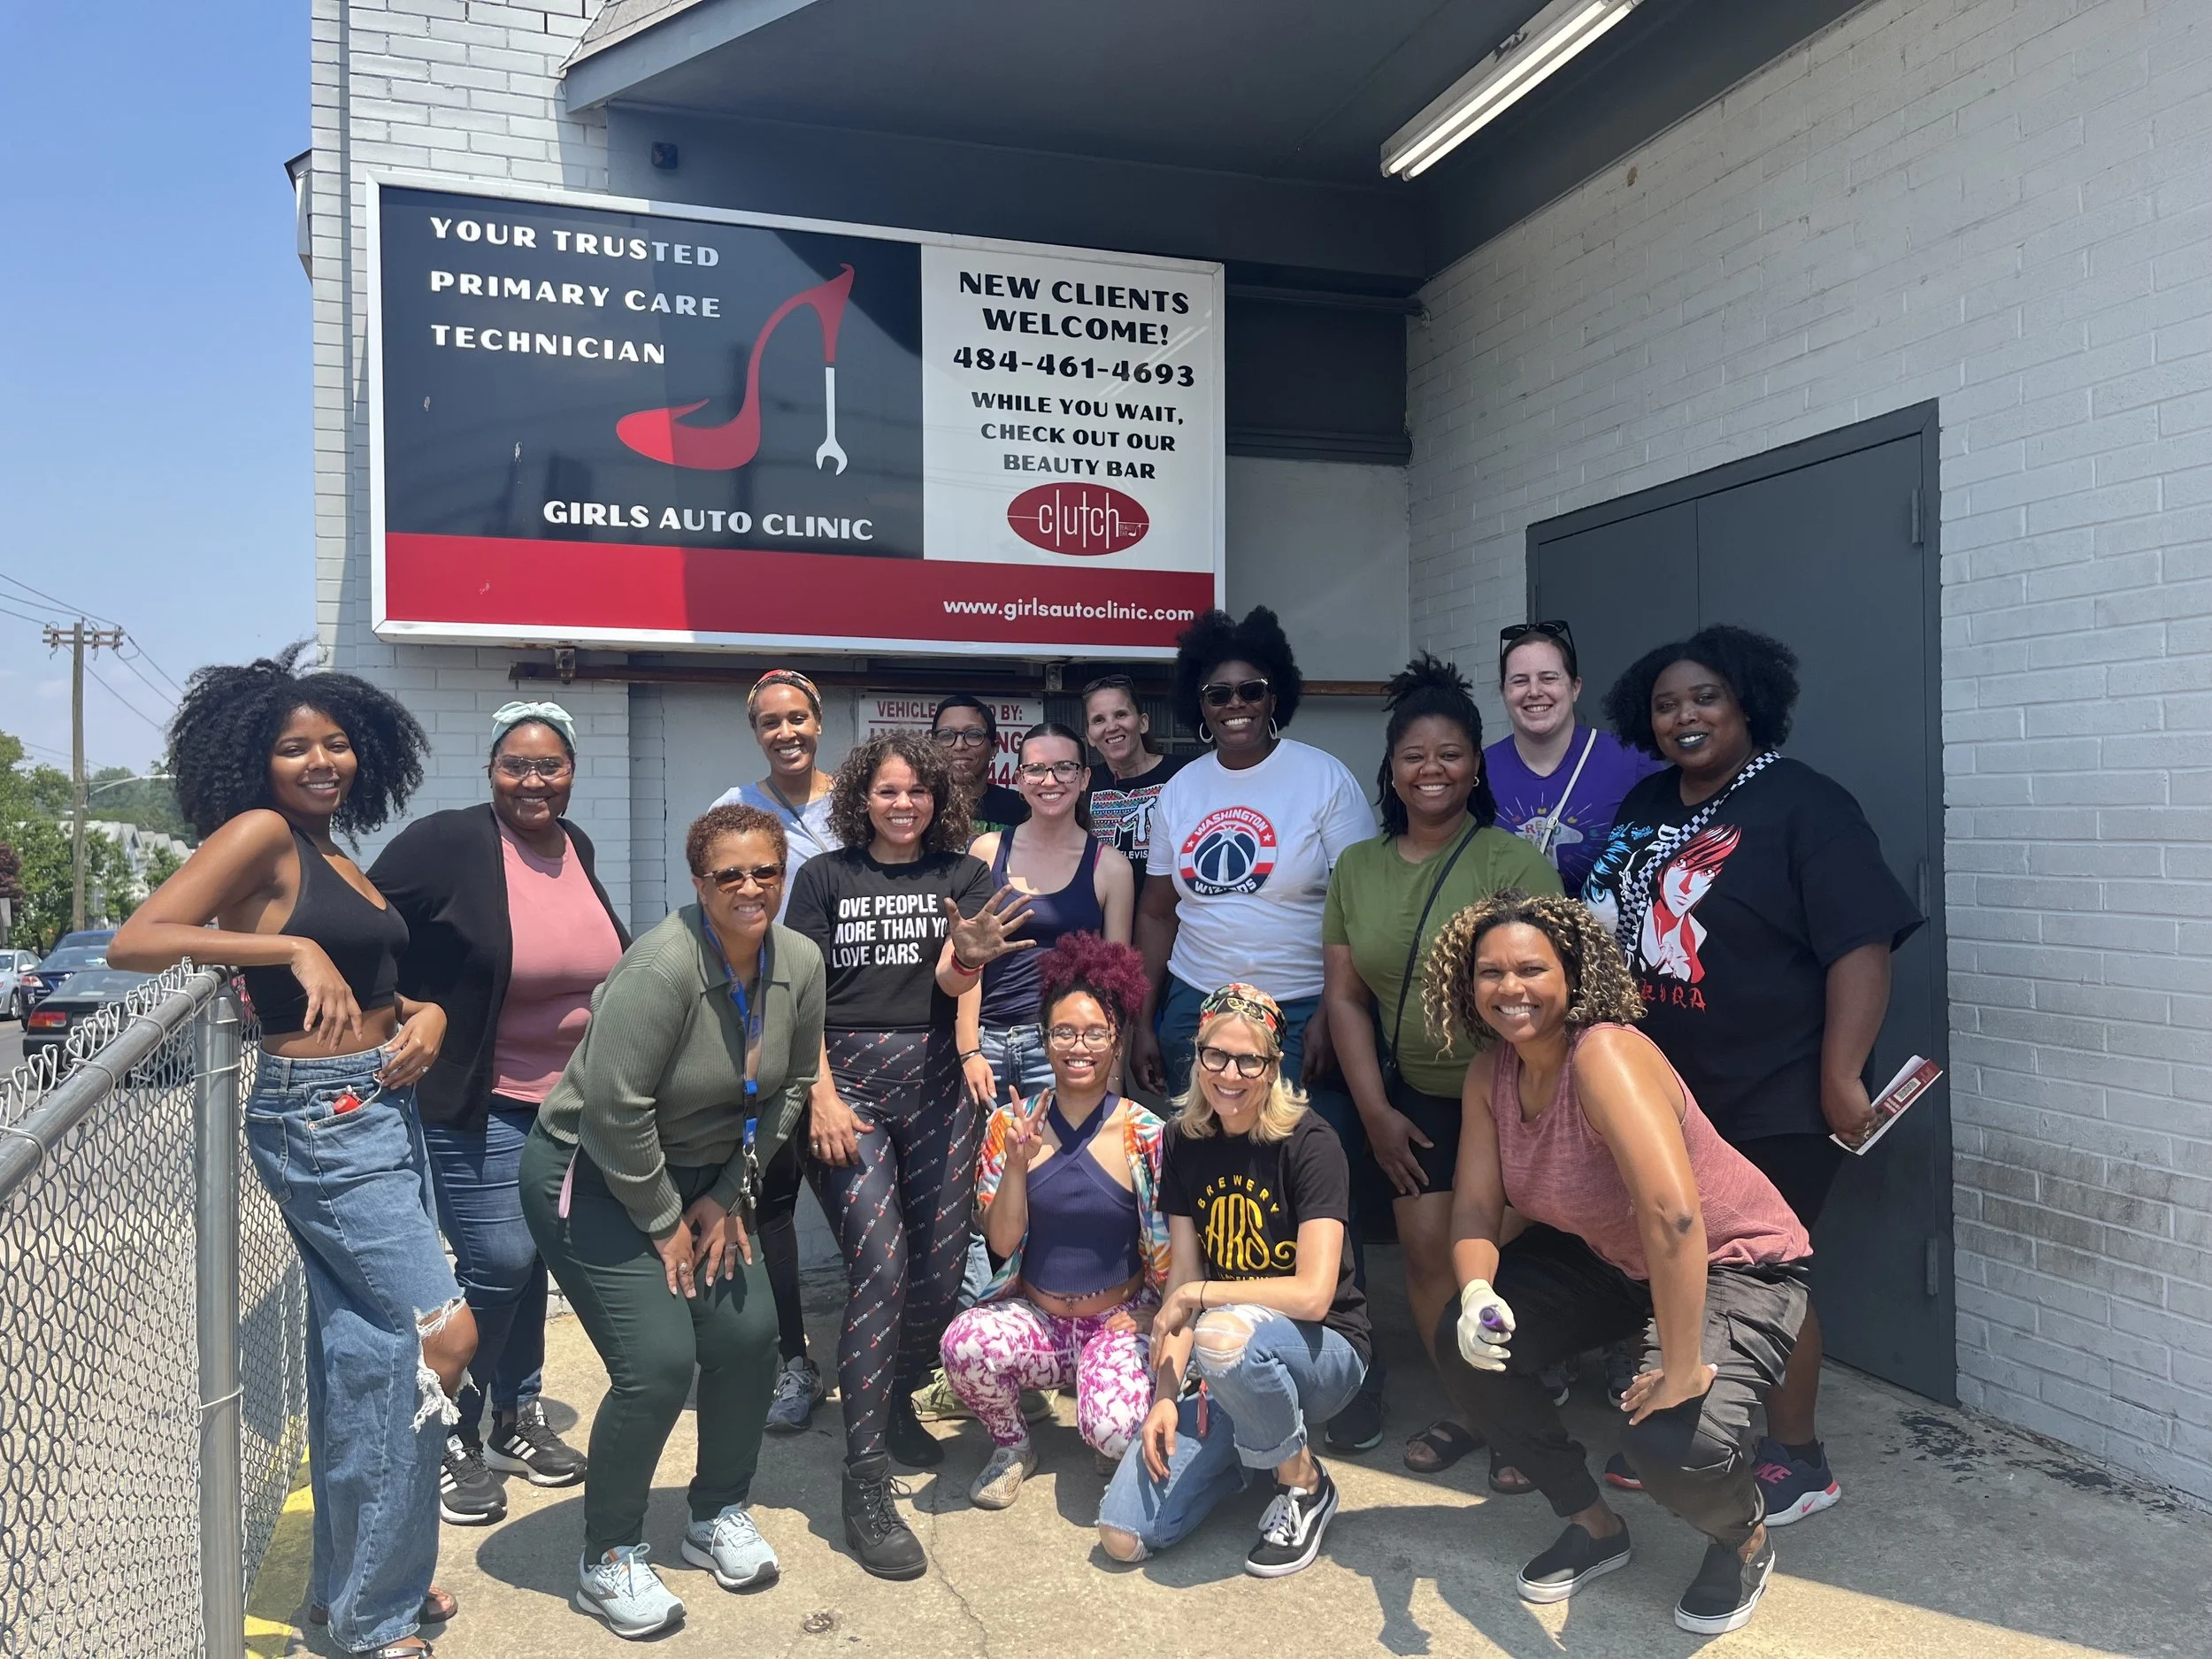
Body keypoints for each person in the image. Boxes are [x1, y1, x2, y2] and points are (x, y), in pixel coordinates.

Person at [112, 645, 471, 1659]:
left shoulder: (339, 853)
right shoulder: (262, 834)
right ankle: (377, 1613)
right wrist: (284, 948)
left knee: (368, 1359)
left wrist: (426, 1011)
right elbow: (140, 936)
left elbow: (371, 986)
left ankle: (356, 1596)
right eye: (294, 748)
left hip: (378, 1106)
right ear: (254, 763)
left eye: (337, 743)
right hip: (319, 1118)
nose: (322, 762)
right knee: (439, 1337)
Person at [1581, 625, 1921, 1524]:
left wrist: (1842, 1075)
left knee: (1761, 1268)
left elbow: (1861, 944)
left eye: (1704, 698)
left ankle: (1798, 1456)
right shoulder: (1648, 800)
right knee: (1674, 1256)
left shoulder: (1807, 805)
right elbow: (1601, 914)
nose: (1682, 716)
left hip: (1777, 1089)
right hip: (1671, 1088)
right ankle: (1682, 1425)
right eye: (1664, 704)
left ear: (1748, 705)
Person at [1422, 891, 1816, 1635]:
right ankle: (1593, 1523)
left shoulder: (1604, 1053)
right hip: (1616, 1257)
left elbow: (1674, 1217)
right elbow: (1476, 1209)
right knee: (1462, 1343)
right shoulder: (1491, 1072)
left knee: (1675, 1441)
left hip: (1735, 1260)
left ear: (1572, 972)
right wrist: (1476, 1292)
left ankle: (1746, 1536)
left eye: (1532, 968)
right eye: (1490, 972)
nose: (1510, 988)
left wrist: (1681, 1362)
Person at [518, 803, 826, 1639]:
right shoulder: (659, 968)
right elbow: (616, 1111)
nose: (751, 887)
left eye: (766, 870)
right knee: (657, 1360)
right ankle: (607, 1555)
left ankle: (714, 1512)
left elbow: (793, 1087)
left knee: (746, 1335)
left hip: (707, 1179)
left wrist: (726, 1195)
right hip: (596, 1176)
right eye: (730, 874)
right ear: (699, 883)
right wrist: (666, 1222)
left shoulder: (798, 959)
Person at [781, 732, 1036, 1579]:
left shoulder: (962, 874)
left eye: (918, 792)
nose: (903, 804)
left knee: (934, 1271)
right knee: (881, 1269)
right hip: (846, 1083)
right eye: (888, 791)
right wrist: (817, 1090)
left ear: (938, 799)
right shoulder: (822, 877)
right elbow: (799, 992)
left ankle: (893, 1401)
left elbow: (953, 980)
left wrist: (966, 954)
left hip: (933, 1080)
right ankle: (865, 1481)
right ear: (864, 797)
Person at [1128, 607, 1379, 1444]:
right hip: (1198, 1010)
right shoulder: (1182, 791)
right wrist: (1143, 1011)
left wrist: (1334, 1010)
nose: (1235, 703)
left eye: (1251, 689)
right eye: (1218, 692)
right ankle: (1216, 1357)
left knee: (1311, 1191)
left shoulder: (1323, 779)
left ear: (1277, 696)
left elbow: (1356, 907)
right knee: (1212, 1189)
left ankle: (1344, 1374)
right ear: (1197, 703)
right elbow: (1160, 912)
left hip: (1304, 1010)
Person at [369, 700, 623, 1525]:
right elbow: (364, 923)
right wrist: (410, 1006)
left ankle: (515, 1419)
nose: (534, 779)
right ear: (491, 769)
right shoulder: (449, 844)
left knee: (532, 1259)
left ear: (572, 770)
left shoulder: (574, 845)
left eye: (550, 765)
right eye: (517, 764)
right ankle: (445, 1426)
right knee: (501, 1261)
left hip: (570, 1105)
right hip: (477, 1101)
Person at [1320, 656, 1559, 1486]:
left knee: (1491, 1250)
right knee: (1427, 1255)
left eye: (1451, 752)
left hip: (1512, 1094)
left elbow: (1551, 992)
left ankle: (1522, 1406)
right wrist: (1377, 1110)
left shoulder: (1511, 862)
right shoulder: (1358, 868)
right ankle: (1473, 1407)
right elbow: (1346, 998)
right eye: (1415, 754)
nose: (1432, 769)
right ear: (1391, 768)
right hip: (1418, 1097)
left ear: (1476, 763)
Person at [1098, 985, 1369, 1578]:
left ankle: (1305, 1484)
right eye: (1215, 1054)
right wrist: (1165, 1396)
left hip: (1324, 1353)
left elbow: (1313, 1293)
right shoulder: (1184, 1139)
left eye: (1250, 1059)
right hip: (1230, 1364)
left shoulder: (1311, 1142)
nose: (1230, 1073)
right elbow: (1184, 1281)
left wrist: (1200, 1298)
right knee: (1123, 1536)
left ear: (1274, 1066)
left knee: (1221, 1331)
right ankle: (1253, 1449)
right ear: (1196, 1056)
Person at [938, 934, 1167, 1510]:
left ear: (1117, 1040)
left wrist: (1155, 1310)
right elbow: (1002, 1240)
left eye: (1095, 1032)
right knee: (964, 1344)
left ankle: (1105, 1420)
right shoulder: (1010, 1126)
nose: (1078, 1046)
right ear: (1044, 1039)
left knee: (1114, 1431)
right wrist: (1016, 1162)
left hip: (1113, 1323)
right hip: (1039, 1320)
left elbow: (1173, 1246)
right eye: (1064, 1032)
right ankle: (1013, 1445)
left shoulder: (1146, 1133)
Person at [707, 670, 841, 1434]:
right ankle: (794, 1357)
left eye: (797, 717)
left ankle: (894, 1354)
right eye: (770, 722)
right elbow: (719, 914)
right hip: (767, 1019)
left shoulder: (856, 802)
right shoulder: (735, 808)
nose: (785, 731)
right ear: (756, 731)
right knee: (773, 1202)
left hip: (851, 1021)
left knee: (866, 1202)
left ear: (818, 721)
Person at [964, 722, 1136, 1104]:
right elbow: (967, 960)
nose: (1050, 780)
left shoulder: (1110, 868)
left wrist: (1114, 1070)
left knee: (1057, 1163)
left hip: (1067, 1048)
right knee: (987, 1164)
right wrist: (968, 1050)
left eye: (1064, 768)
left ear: (1085, 777)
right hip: (986, 1045)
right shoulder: (986, 851)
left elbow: (1116, 985)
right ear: (1019, 780)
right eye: (1036, 770)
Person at [1486, 622, 1662, 897]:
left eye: (1549, 678)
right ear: (1504, 692)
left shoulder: (1631, 760)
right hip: (1508, 937)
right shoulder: (1479, 771)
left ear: (1575, 687)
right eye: (1519, 680)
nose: (1534, 691)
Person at [1079, 672, 1187, 868]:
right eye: (1098, 720)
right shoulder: (1082, 784)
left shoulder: (1184, 774)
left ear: (1143, 723)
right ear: (1090, 737)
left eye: (1121, 714)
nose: (1111, 727)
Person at [932, 693, 1030, 835]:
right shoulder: (918, 805)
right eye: (946, 736)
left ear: (994, 748)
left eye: (973, 734)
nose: (959, 745)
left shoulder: (1022, 809)